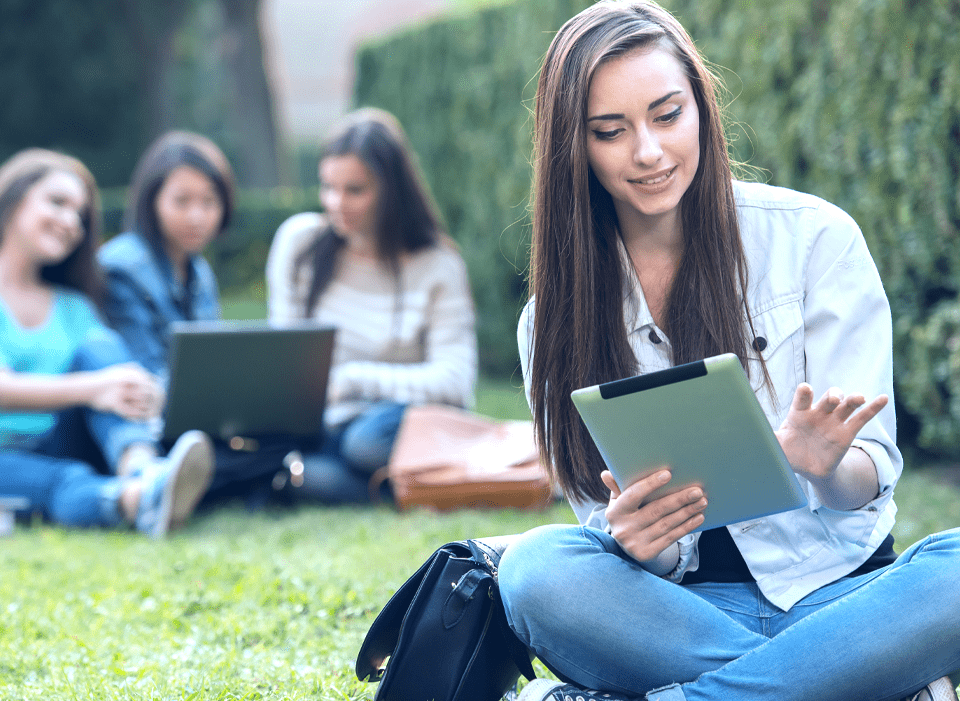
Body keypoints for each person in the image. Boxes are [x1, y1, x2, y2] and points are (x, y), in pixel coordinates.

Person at [498, 3, 960, 701]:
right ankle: (858, 682)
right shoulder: (551, 323)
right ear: (575, 146)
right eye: (610, 131)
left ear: (701, 111)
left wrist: (828, 467)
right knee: (532, 568)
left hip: (840, 596)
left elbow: (872, 473)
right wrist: (637, 545)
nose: (648, 151)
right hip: (679, 617)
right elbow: (603, 522)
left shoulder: (815, 239)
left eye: (666, 114)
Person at [266, 108, 477, 502]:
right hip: (324, 426)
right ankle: (402, 488)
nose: (336, 203)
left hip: (392, 424)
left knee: (363, 444)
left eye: (355, 190)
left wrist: (351, 380)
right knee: (298, 469)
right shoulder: (300, 244)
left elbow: (455, 382)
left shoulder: (437, 265)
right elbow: (284, 353)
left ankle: (405, 481)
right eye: (328, 187)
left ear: (391, 190)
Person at [0, 148, 213, 538]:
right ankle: (135, 497)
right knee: (65, 479)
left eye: (79, 216)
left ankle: (142, 469)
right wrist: (92, 389)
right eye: (57, 203)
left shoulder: (74, 305)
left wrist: (140, 390)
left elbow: (108, 374)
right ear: (14, 197)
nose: (70, 222)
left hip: (63, 438)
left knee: (102, 350)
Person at [98, 131, 293, 507]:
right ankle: (171, 485)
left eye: (209, 202)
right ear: (151, 201)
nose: (197, 216)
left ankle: (209, 482)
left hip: (192, 420)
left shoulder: (198, 270)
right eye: (181, 201)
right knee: (262, 459)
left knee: (281, 445)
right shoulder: (122, 267)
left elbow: (211, 365)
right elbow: (146, 373)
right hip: (143, 422)